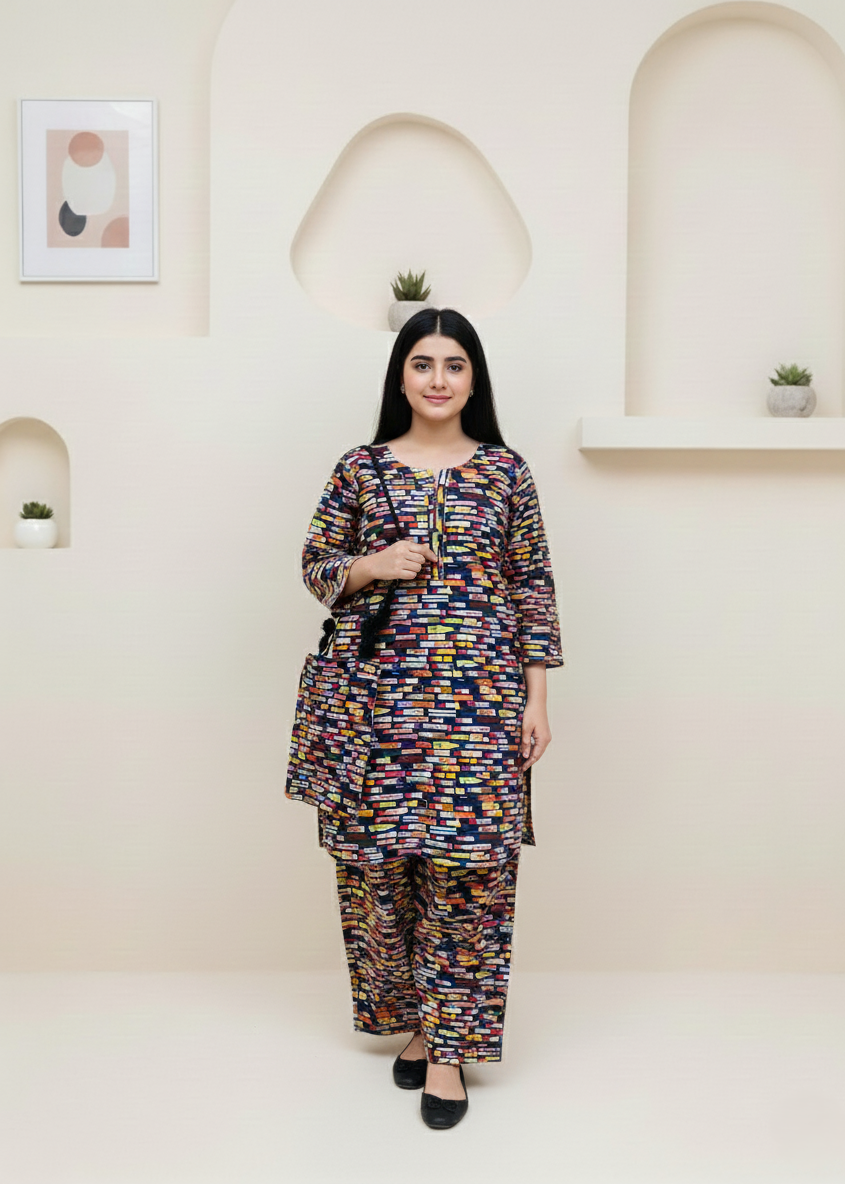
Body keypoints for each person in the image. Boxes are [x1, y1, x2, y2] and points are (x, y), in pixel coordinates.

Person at [290, 307, 563, 1129]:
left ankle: (448, 1054)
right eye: (422, 364)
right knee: (380, 875)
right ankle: (417, 1022)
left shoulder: (506, 473)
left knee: (470, 875)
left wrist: (537, 698)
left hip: (481, 706)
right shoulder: (360, 469)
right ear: (400, 377)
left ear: (474, 380)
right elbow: (316, 567)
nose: (437, 379)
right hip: (375, 709)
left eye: (453, 365)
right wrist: (373, 564)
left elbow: (533, 588)